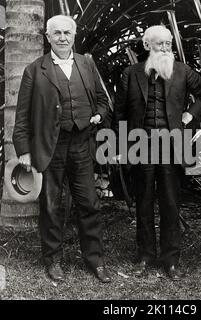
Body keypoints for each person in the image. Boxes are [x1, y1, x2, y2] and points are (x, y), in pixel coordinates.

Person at [113, 25, 201, 280]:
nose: (165, 48)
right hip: (141, 145)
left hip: (173, 146)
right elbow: (119, 114)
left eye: (168, 43)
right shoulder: (131, 73)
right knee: (144, 203)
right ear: (147, 45)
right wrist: (119, 148)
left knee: (171, 203)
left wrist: (189, 115)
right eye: (160, 44)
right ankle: (145, 256)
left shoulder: (182, 71)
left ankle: (171, 260)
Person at [13, 15, 111, 283]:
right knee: (51, 206)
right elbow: (22, 115)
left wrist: (99, 116)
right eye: (56, 33)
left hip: (81, 145)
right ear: (48, 37)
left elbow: (102, 100)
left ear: (74, 34)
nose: (62, 37)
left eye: (67, 32)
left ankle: (96, 260)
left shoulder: (86, 64)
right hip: (50, 147)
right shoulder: (35, 70)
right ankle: (53, 260)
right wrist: (23, 149)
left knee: (89, 203)